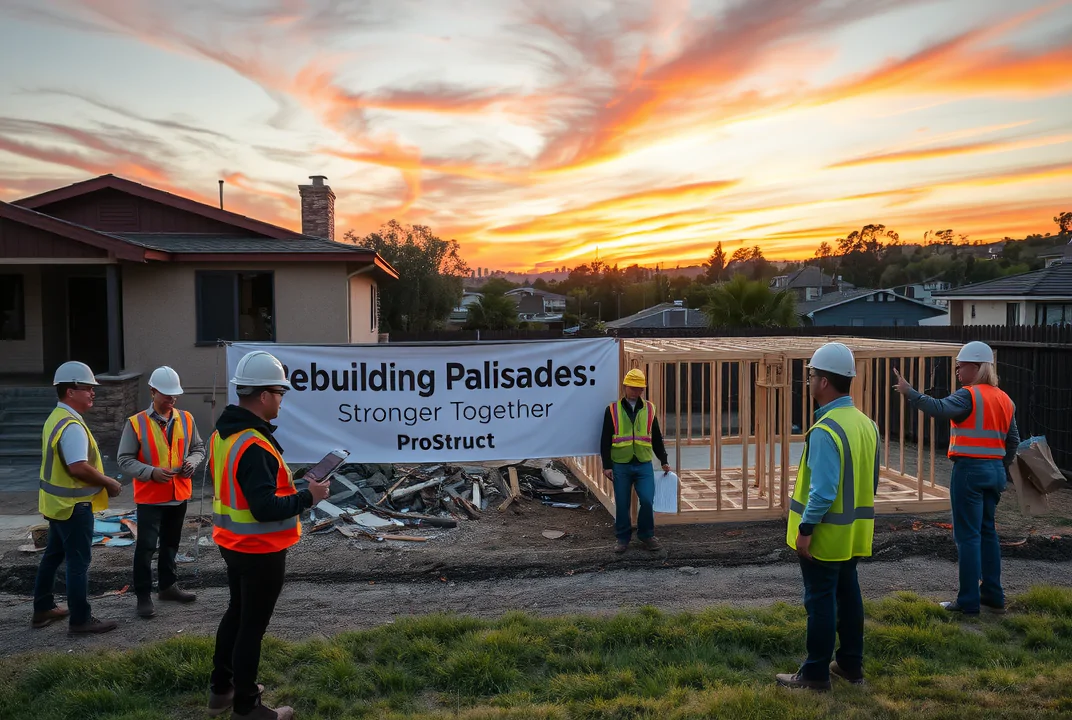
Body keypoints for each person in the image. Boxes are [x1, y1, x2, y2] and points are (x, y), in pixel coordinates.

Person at [207, 350, 331, 720]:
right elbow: (262, 508)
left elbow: (244, 491)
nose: (282, 400)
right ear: (263, 396)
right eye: (280, 393)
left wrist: (296, 487)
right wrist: (310, 496)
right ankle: (247, 708)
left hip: (232, 544)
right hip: (260, 550)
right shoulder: (254, 445)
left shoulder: (224, 435)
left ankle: (221, 689)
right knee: (251, 629)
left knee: (237, 614)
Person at [778, 342, 877, 691]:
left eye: (811, 376)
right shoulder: (866, 424)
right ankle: (851, 665)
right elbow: (871, 481)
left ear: (823, 382)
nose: (808, 382)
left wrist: (805, 529)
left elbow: (822, 491)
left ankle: (815, 673)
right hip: (854, 534)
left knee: (820, 602)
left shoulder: (825, 430)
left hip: (825, 536)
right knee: (849, 597)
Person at [893, 341, 1018, 615]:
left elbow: (939, 408)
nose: (958, 371)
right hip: (995, 472)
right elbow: (1014, 440)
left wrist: (909, 392)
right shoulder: (1005, 399)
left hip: (970, 471)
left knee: (968, 537)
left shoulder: (969, 395)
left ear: (976, 367)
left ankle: (968, 601)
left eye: (960, 367)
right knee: (987, 533)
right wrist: (1000, 464)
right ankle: (994, 597)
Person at [32, 361, 123, 635]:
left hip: (57, 505)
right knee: (78, 563)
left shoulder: (56, 418)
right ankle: (81, 620)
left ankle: (43, 609)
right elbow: (77, 466)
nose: (93, 393)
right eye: (87, 388)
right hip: (73, 507)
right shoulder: (71, 425)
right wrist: (109, 482)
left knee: (53, 556)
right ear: (70, 391)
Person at [118, 366, 205, 618]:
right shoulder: (136, 423)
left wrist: (193, 462)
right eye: (166, 394)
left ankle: (168, 587)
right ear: (152, 391)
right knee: (146, 547)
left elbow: (199, 447)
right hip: (151, 497)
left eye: (174, 395)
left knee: (171, 544)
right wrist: (151, 472)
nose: (171, 399)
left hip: (178, 495)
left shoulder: (186, 419)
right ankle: (143, 596)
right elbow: (124, 460)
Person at [600, 368, 671, 554]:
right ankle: (623, 538)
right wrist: (606, 465)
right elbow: (605, 439)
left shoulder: (649, 408)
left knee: (647, 500)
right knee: (622, 503)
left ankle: (646, 534)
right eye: (633, 388)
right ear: (625, 387)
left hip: (643, 463)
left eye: (639, 389)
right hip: (620, 464)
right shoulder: (612, 410)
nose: (636, 392)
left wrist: (663, 459)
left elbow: (656, 436)